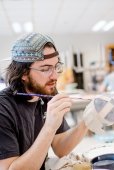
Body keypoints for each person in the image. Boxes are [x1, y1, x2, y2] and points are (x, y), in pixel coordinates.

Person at [0, 33, 88, 170]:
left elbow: (60, 148)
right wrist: (49, 127)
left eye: (56, 66)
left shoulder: (47, 93)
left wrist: (87, 121)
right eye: (45, 69)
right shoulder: (3, 109)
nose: (55, 76)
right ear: (23, 72)